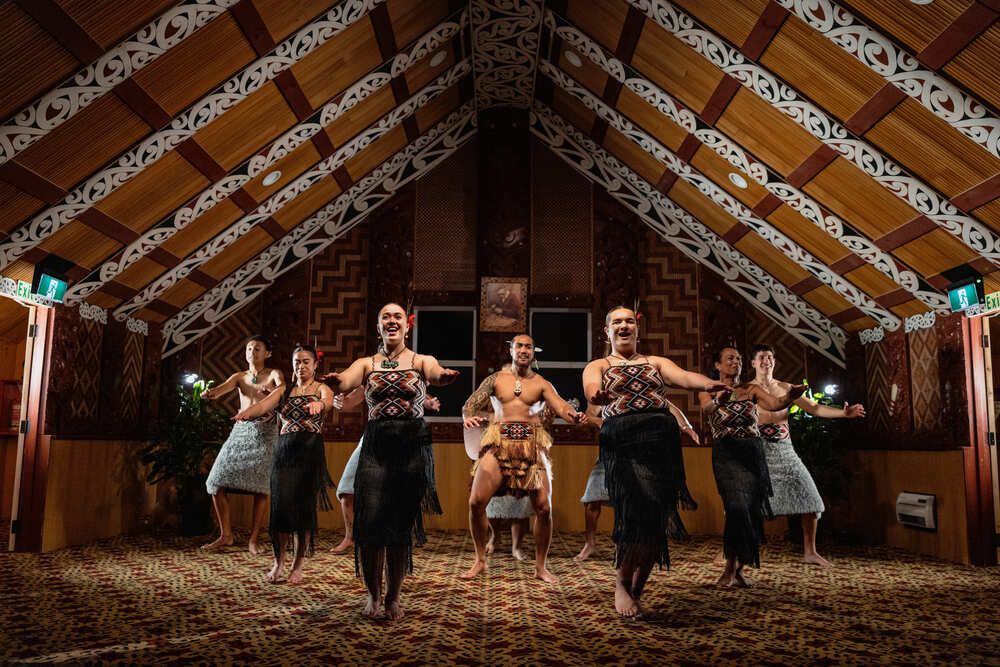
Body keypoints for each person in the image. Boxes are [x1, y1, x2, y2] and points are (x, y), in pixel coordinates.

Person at [583, 306, 727, 618]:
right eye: (617, 322)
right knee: (638, 513)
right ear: (606, 331)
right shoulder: (599, 365)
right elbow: (591, 388)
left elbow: (685, 378)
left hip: (661, 442)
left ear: (637, 329)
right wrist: (597, 397)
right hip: (623, 442)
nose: (624, 326)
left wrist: (708, 384)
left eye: (629, 321)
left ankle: (636, 589)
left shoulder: (656, 362)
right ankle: (622, 583)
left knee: (657, 517)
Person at [323, 302, 458, 621]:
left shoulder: (421, 360)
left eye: (398, 316)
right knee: (370, 526)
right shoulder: (366, 363)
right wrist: (336, 381)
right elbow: (346, 381)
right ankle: (373, 595)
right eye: (386, 317)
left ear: (407, 327)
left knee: (399, 528)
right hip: (376, 445)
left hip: (410, 445)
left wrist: (444, 376)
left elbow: (436, 374)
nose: (392, 321)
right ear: (379, 327)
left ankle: (393, 598)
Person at [461, 335, 585, 583]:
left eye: (529, 346)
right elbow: (470, 404)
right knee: (476, 502)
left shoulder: (542, 383)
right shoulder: (496, 379)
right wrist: (468, 416)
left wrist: (573, 416)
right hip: (499, 442)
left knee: (544, 508)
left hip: (531, 445)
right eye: (519, 346)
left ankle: (541, 568)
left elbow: (561, 406)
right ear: (511, 350)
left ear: (533, 352)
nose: (524, 350)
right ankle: (480, 560)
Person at [698, 346, 805, 588]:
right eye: (729, 358)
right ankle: (728, 569)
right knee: (736, 507)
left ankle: (738, 569)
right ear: (717, 365)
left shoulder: (751, 390)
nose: (735, 362)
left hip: (752, 453)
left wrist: (791, 396)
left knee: (751, 511)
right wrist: (718, 400)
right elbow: (707, 409)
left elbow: (776, 404)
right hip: (726, 454)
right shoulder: (708, 389)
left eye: (738, 358)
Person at [749, 343, 865, 566]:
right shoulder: (747, 390)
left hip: (785, 449)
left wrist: (844, 413)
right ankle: (732, 551)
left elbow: (815, 408)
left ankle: (810, 552)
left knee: (811, 499)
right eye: (762, 357)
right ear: (753, 362)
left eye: (770, 357)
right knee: (744, 502)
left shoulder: (786, 388)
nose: (766, 361)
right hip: (758, 450)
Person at [234, 344, 334, 584]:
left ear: (315, 365)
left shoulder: (321, 388)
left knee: (303, 511)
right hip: (284, 451)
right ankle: (278, 562)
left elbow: (328, 401)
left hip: (309, 450)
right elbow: (264, 405)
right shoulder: (284, 390)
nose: (301, 366)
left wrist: (320, 405)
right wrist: (247, 413)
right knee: (280, 510)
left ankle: (298, 566)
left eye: (306, 361)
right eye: (297, 361)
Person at [574, 401, 699, 562]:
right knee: (592, 499)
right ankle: (589, 544)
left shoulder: (644, 392)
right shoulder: (606, 392)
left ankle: (622, 544)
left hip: (638, 453)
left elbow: (671, 407)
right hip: (610, 453)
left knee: (627, 502)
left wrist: (687, 427)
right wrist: (604, 422)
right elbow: (589, 415)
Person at [329, 390, 442, 555]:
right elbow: (349, 401)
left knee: (399, 493)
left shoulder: (409, 377)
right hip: (373, 436)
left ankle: (398, 539)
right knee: (346, 490)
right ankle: (350, 538)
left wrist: (429, 402)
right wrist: (340, 402)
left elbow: (420, 393)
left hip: (404, 436)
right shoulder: (370, 376)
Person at [201, 335, 284, 555]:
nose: (251, 352)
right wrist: (210, 393)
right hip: (240, 431)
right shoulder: (239, 376)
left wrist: (273, 392)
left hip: (266, 433)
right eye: (248, 348)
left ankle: (253, 540)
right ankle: (226, 535)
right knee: (215, 482)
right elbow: (221, 389)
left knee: (261, 488)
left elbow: (282, 388)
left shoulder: (274, 374)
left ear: (267, 353)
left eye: (257, 348)